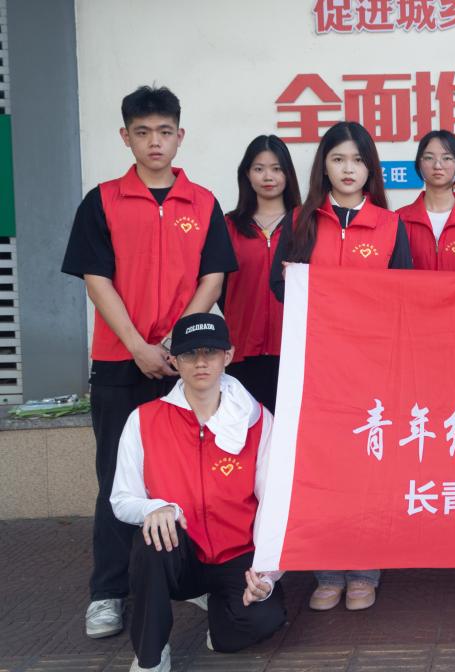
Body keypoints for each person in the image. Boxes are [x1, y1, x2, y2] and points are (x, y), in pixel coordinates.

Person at [61, 86, 237, 640]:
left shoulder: (203, 203)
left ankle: (192, 576)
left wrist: (175, 342)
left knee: (190, 472)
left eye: (164, 132)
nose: (154, 142)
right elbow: (96, 280)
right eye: (142, 132)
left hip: (185, 364)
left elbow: (213, 278)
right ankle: (109, 592)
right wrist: (138, 344)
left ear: (180, 136)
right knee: (118, 475)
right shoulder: (102, 201)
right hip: (120, 361)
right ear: (125, 137)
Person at [271, 121, 411, 611]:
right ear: (323, 166)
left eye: (357, 160)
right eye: (338, 159)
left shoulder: (390, 225)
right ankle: (327, 571)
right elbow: (278, 287)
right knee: (322, 468)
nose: (348, 169)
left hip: (371, 369)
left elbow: (404, 294)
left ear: (370, 168)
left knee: (367, 468)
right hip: (316, 368)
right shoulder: (299, 222)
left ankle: (365, 570)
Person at [111, 313, 285, 672]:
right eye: (190, 353)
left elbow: (275, 504)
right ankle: (150, 656)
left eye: (211, 352)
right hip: (180, 552)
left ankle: (218, 613)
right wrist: (157, 507)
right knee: (150, 541)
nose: (201, 362)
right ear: (174, 361)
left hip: (237, 553)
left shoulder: (256, 419)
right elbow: (121, 499)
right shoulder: (144, 419)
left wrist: (267, 575)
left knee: (261, 621)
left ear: (228, 355)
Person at [222, 135, 301, 413]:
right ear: (247, 174)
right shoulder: (228, 226)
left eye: (277, 169)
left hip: (293, 349)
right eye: (259, 168)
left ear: (288, 174)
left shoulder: (306, 224)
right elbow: (219, 288)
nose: (268, 177)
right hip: (241, 349)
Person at [397, 129, 455, 270]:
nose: (437, 166)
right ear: (419, 164)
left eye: (447, 158)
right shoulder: (400, 218)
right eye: (429, 158)